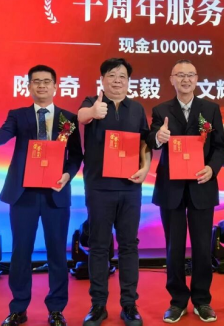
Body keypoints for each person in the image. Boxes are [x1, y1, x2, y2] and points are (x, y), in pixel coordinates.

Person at [0, 64, 83, 326]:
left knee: (57, 252)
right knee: (21, 252)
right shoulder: (18, 115)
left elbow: (76, 156)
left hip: (55, 194)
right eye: (36, 81)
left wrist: (67, 175)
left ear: (55, 86)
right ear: (28, 86)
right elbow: (4, 134)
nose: (41, 85)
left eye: (46, 81)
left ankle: (56, 309)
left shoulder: (68, 118)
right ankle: (18, 308)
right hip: (24, 194)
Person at [146, 59, 224, 323]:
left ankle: (202, 301)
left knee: (203, 247)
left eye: (190, 75)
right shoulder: (161, 110)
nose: (185, 79)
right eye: (180, 75)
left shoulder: (210, 109)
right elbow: (151, 140)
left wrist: (212, 169)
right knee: (174, 248)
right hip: (171, 189)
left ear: (197, 79)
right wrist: (158, 138)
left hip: (201, 185)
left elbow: (219, 147)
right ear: (171, 79)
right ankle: (177, 301)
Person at [78, 58, 151, 326]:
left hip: (130, 187)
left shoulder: (137, 108)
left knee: (129, 245)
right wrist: (93, 112)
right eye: (112, 75)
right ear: (102, 80)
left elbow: (144, 143)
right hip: (99, 187)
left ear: (128, 81)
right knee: (99, 246)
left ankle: (129, 305)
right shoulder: (92, 102)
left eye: (122, 76)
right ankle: (98, 305)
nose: (117, 80)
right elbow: (81, 117)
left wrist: (145, 168)